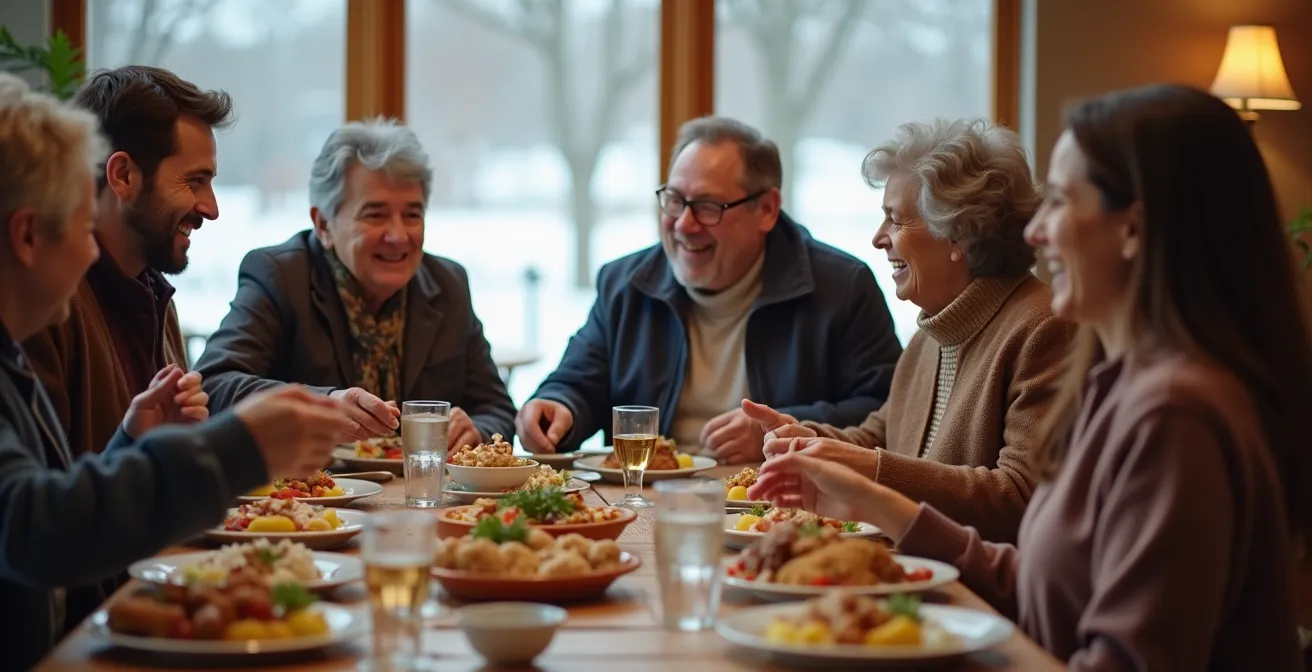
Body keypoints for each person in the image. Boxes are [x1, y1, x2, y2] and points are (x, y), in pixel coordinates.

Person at [750, 84, 1311, 669]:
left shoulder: (1174, 415)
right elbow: (1043, 585)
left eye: (1063, 202)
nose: (1036, 231)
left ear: (1133, 230)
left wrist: (873, 479)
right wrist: (866, 491)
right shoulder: (1123, 385)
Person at [0, 72, 353, 672]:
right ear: (29, 235)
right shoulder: (43, 321)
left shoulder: (146, 299)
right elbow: (35, 530)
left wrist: (130, 443)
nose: (89, 249)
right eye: (195, 181)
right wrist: (236, 445)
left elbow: (63, 518)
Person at [742, 118, 1072, 542]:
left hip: (977, 597)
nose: (879, 238)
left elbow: (1022, 498)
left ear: (959, 234)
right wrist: (805, 438)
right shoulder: (929, 335)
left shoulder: (1045, 328)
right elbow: (882, 436)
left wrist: (871, 468)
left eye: (894, 220)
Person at [516, 116, 903, 461]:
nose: (683, 225)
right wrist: (557, 405)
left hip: (781, 500)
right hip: (648, 495)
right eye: (674, 200)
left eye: (708, 206)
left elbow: (890, 413)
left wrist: (782, 431)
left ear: (766, 210)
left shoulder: (841, 287)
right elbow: (580, 380)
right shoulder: (627, 284)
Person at [195, 120, 515, 448]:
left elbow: (497, 408)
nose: (398, 235)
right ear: (323, 224)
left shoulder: (447, 284)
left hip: (423, 494)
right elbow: (215, 385)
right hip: (309, 492)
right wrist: (323, 403)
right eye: (375, 215)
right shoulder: (280, 277)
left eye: (412, 215)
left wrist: (475, 429)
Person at [21, 65, 233, 457]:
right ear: (122, 175)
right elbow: (40, 507)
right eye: (194, 181)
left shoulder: (156, 297)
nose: (212, 208)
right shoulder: (43, 307)